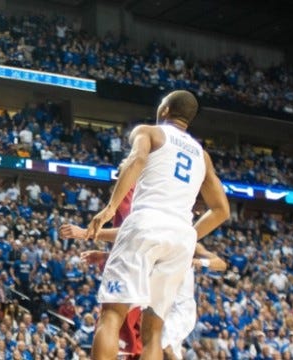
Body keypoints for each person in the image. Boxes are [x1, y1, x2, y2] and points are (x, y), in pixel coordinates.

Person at [85, 90, 230, 360]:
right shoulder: (202, 155)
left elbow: (137, 160)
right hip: (181, 237)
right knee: (154, 330)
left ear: (164, 110)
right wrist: (187, 235)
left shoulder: (150, 132)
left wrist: (110, 208)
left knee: (112, 315)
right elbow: (222, 210)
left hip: (147, 221)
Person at [61, 223, 227, 360]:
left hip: (179, 308)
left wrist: (198, 262)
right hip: (154, 301)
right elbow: (136, 251)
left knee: (164, 347)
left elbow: (220, 264)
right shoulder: (158, 236)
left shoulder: (190, 243)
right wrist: (105, 255)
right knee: (146, 345)